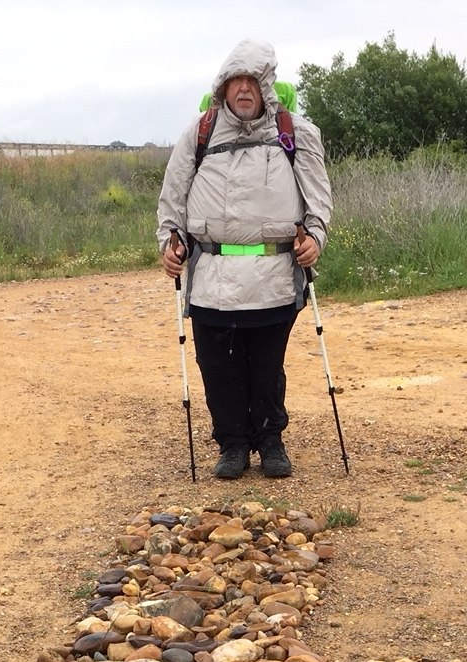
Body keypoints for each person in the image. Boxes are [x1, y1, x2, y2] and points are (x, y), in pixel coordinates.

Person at [157, 39, 332, 480]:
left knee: (267, 367)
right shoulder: (199, 133)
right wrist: (170, 240)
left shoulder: (295, 131)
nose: (243, 89)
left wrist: (315, 236)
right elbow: (172, 197)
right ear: (223, 87)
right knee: (218, 368)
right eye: (235, 81)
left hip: (274, 276)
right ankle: (232, 444)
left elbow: (318, 198)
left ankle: (271, 441)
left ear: (265, 85)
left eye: (252, 80)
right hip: (211, 277)